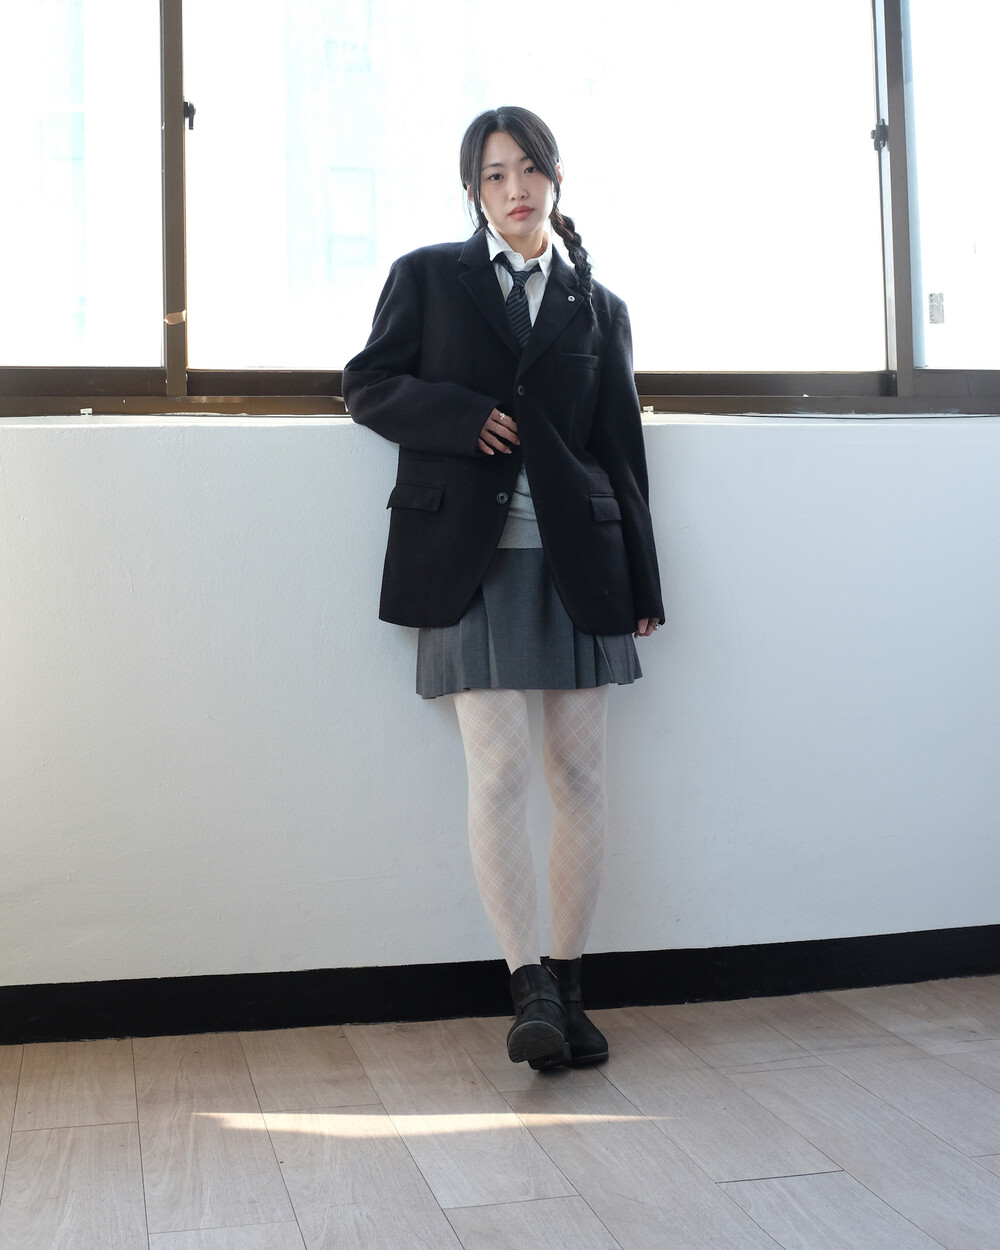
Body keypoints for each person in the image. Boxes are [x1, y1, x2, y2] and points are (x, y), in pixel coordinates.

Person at [343, 106, 662, 1070]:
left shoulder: (600, 307)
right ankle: (527, 990)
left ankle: (570, 986)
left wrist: (644, 583)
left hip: (579, 564)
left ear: (556, 178)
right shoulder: (426, 278)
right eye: (494, 175)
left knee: (582, 776)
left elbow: (621, 452)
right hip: (467, 563)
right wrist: (460, 415)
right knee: (499, 772)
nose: (515, 189)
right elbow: (366, 385)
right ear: (473, 191)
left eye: (529, 169)